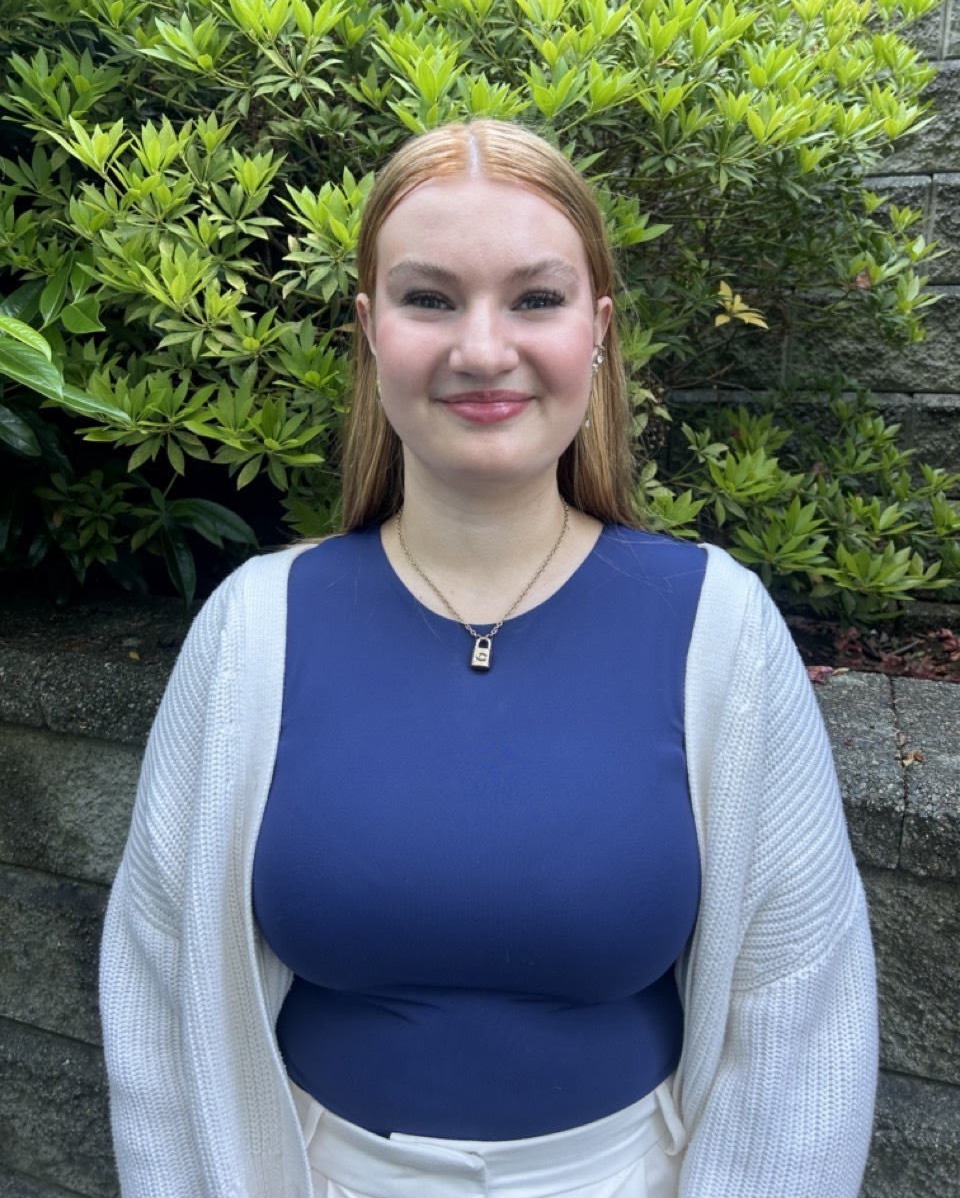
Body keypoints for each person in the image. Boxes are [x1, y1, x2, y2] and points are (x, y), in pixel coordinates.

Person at [99, 120, 878, 1198]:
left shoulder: (720, 630)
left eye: (534, 298)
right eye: (428, 298)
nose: (481, 348)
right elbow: (156, 983)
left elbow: (801, 1012)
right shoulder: (250, 631)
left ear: (598, 330)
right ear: (370, 331)